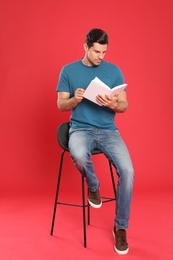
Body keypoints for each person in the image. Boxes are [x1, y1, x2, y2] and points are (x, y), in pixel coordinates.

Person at [56, 28, 134, 255]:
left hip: (109, 131)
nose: (101, 56)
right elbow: (61, 105)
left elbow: (124, 105)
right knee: (79, 154)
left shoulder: (114, 71)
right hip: (81, 128)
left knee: (128, 171)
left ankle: (120, 227)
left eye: (104, 52)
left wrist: (112, 104)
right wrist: (75, 99)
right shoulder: (68, 71)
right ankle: (94, 186)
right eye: (97, 51)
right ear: (85, 47)